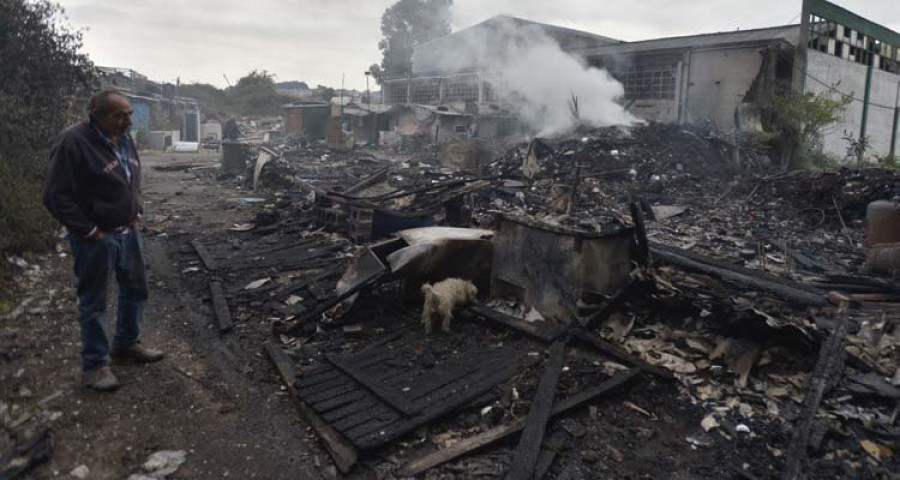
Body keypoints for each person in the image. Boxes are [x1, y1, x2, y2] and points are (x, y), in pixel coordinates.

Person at [44, 89, 164, 391]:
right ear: (96, 114)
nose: (127, 121)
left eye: (129, 115)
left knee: (136, 290)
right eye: (119, 115)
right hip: (96, 239)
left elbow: (130, 177)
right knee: (95, 302)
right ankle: (95, 366)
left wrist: (135, 210)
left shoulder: (124, 138)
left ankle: (126, 344)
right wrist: (89, 232)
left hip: (128, 231)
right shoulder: (73, 142)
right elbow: (56, 196)